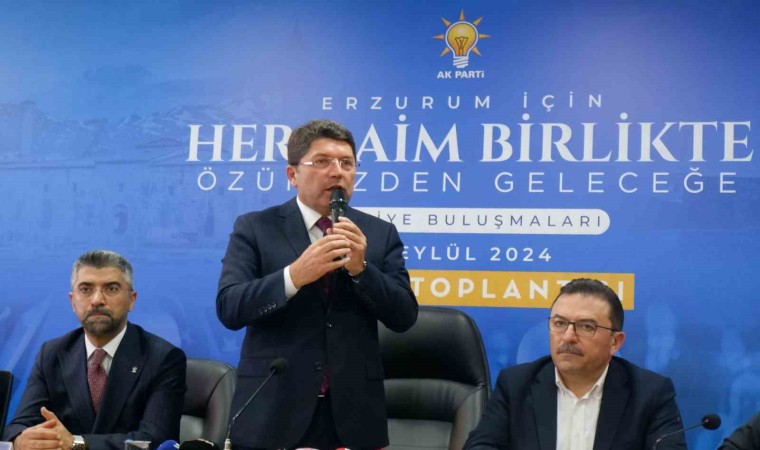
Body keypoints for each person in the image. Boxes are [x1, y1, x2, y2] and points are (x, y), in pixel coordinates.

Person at [216, 119, 418, 449]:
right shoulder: (255, 227)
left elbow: (404, 315)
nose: (337, 172)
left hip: (353, 416)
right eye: (322, 161)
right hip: (273, 410)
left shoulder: (378, 234)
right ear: (292, 174)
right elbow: (230, 307)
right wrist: (295, 276)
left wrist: (361, 269)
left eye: (346, 163)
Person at [464, 278, 686, 450]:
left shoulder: (650, 393)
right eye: (559, 323)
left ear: (615, 342)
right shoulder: (516, 384)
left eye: (586, 326)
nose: (568, 336)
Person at [3, 250, 187, 450]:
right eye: (86, 289)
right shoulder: (52, 353)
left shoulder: (163, 358)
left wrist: (77, 443)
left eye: (111, 288)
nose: (97, 299)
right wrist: (22, 440)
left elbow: (155, 439)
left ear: (132, 300)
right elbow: (19, 425)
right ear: (72, 301)